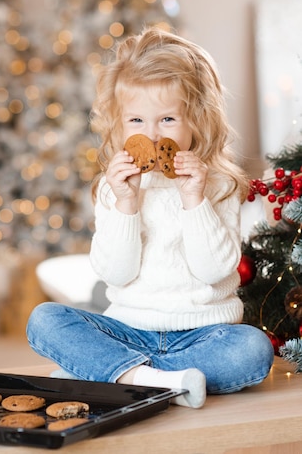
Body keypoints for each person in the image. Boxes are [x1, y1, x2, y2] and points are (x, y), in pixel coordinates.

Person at [27, 27, 274, 408]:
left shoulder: (218, 184)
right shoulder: (115, 187)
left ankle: (114, 375)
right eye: (137, 122)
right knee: (44, 319)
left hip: (203, 333)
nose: (153, 136)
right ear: (120, 124)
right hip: (128, 328)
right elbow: (116, 273)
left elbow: (214, 271)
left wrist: (194, 200)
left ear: (197, 120)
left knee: (253, 350)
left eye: (168, 120)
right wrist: (127, 204)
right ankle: (159, 380)